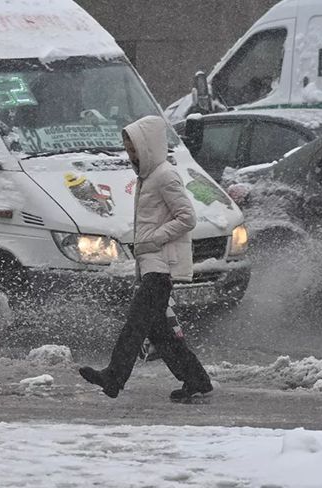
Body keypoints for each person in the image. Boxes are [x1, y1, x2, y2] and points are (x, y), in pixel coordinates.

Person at [78, 115, 214, 403]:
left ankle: (114, 377)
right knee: (161, 334)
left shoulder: (165, 175)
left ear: (149, 146)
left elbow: (187, 217)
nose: (130, 155)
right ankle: (196, 380)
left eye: (134, 149)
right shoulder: (149, 176)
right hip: (152, 264)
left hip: (160, 266)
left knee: (135, 325)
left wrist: (154, 239)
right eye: (128, 150)